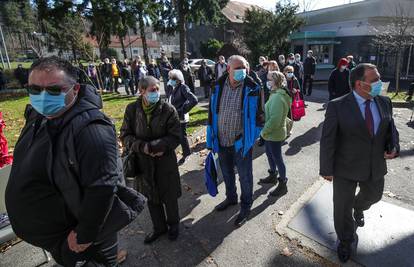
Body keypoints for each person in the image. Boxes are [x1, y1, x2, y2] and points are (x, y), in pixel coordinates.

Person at [5, 56, 146, 267]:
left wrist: (84, 235)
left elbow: (103, 188)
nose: (42, 97)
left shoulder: (93, 130)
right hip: (53, 238)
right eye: (34, 90)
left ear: (76, 89)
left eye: (54, 90)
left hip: (78, 241)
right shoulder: (39, 114)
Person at [320, 63, 399, 263]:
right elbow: (328, 139)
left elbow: (391, 129)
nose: (380, 83)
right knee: (341, 208)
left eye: (379, 78)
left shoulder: (384, 102)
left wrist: (394, 146)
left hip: (375, 166)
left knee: (374, 196)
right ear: (359, 84)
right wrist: (326, 169)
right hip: (344, 167)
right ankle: (346, 240)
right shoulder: (337, 106)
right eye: (374, 80)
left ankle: (359, 207)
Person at [120, 76, 182, 244]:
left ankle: (174, 225)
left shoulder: (168, 109)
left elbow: (176, 136)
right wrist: (142, 147)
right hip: (143, 163)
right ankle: (159, 228)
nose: (157, 92)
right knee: (151, 197)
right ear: (141, 91)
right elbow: (125, 135)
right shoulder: (132, 109)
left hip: (165, 162)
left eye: (157, 89)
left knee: (169, 196)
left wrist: (158, 146)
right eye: (152, 90)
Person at [206, 55, 264, 227]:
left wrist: (249, 138)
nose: (243, 71)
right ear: (228, 69)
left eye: (245, 67)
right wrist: (211, 137)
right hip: (222, 140)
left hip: (241, 142)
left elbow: (260, 117)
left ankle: (246, 205)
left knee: (245, 177)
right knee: (227, 173)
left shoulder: (253, 87)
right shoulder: (217, 86)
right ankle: (231, 198)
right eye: (238, 68)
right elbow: (211, 113)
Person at [259, 71, 291, 196]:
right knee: (270, 154)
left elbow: (275, 120)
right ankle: (272, 175)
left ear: (276, 81)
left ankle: (283, 184)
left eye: (269, 79)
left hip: (274, 133)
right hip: (271, 133)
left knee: (277, 158)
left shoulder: (277, 97)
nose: (267, 81)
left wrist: (263, 132)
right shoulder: (274, 93)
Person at [166, 69, 198, 165]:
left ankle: (186, 154)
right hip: (173, 116)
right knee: (176, 135)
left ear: (178, 79)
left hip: (181, 117)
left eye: (172, 78)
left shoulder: (183, 87)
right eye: (170, 77)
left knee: (182, 137)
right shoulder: (172, 87)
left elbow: (194, 100)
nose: (170, 79)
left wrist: (182, 110)